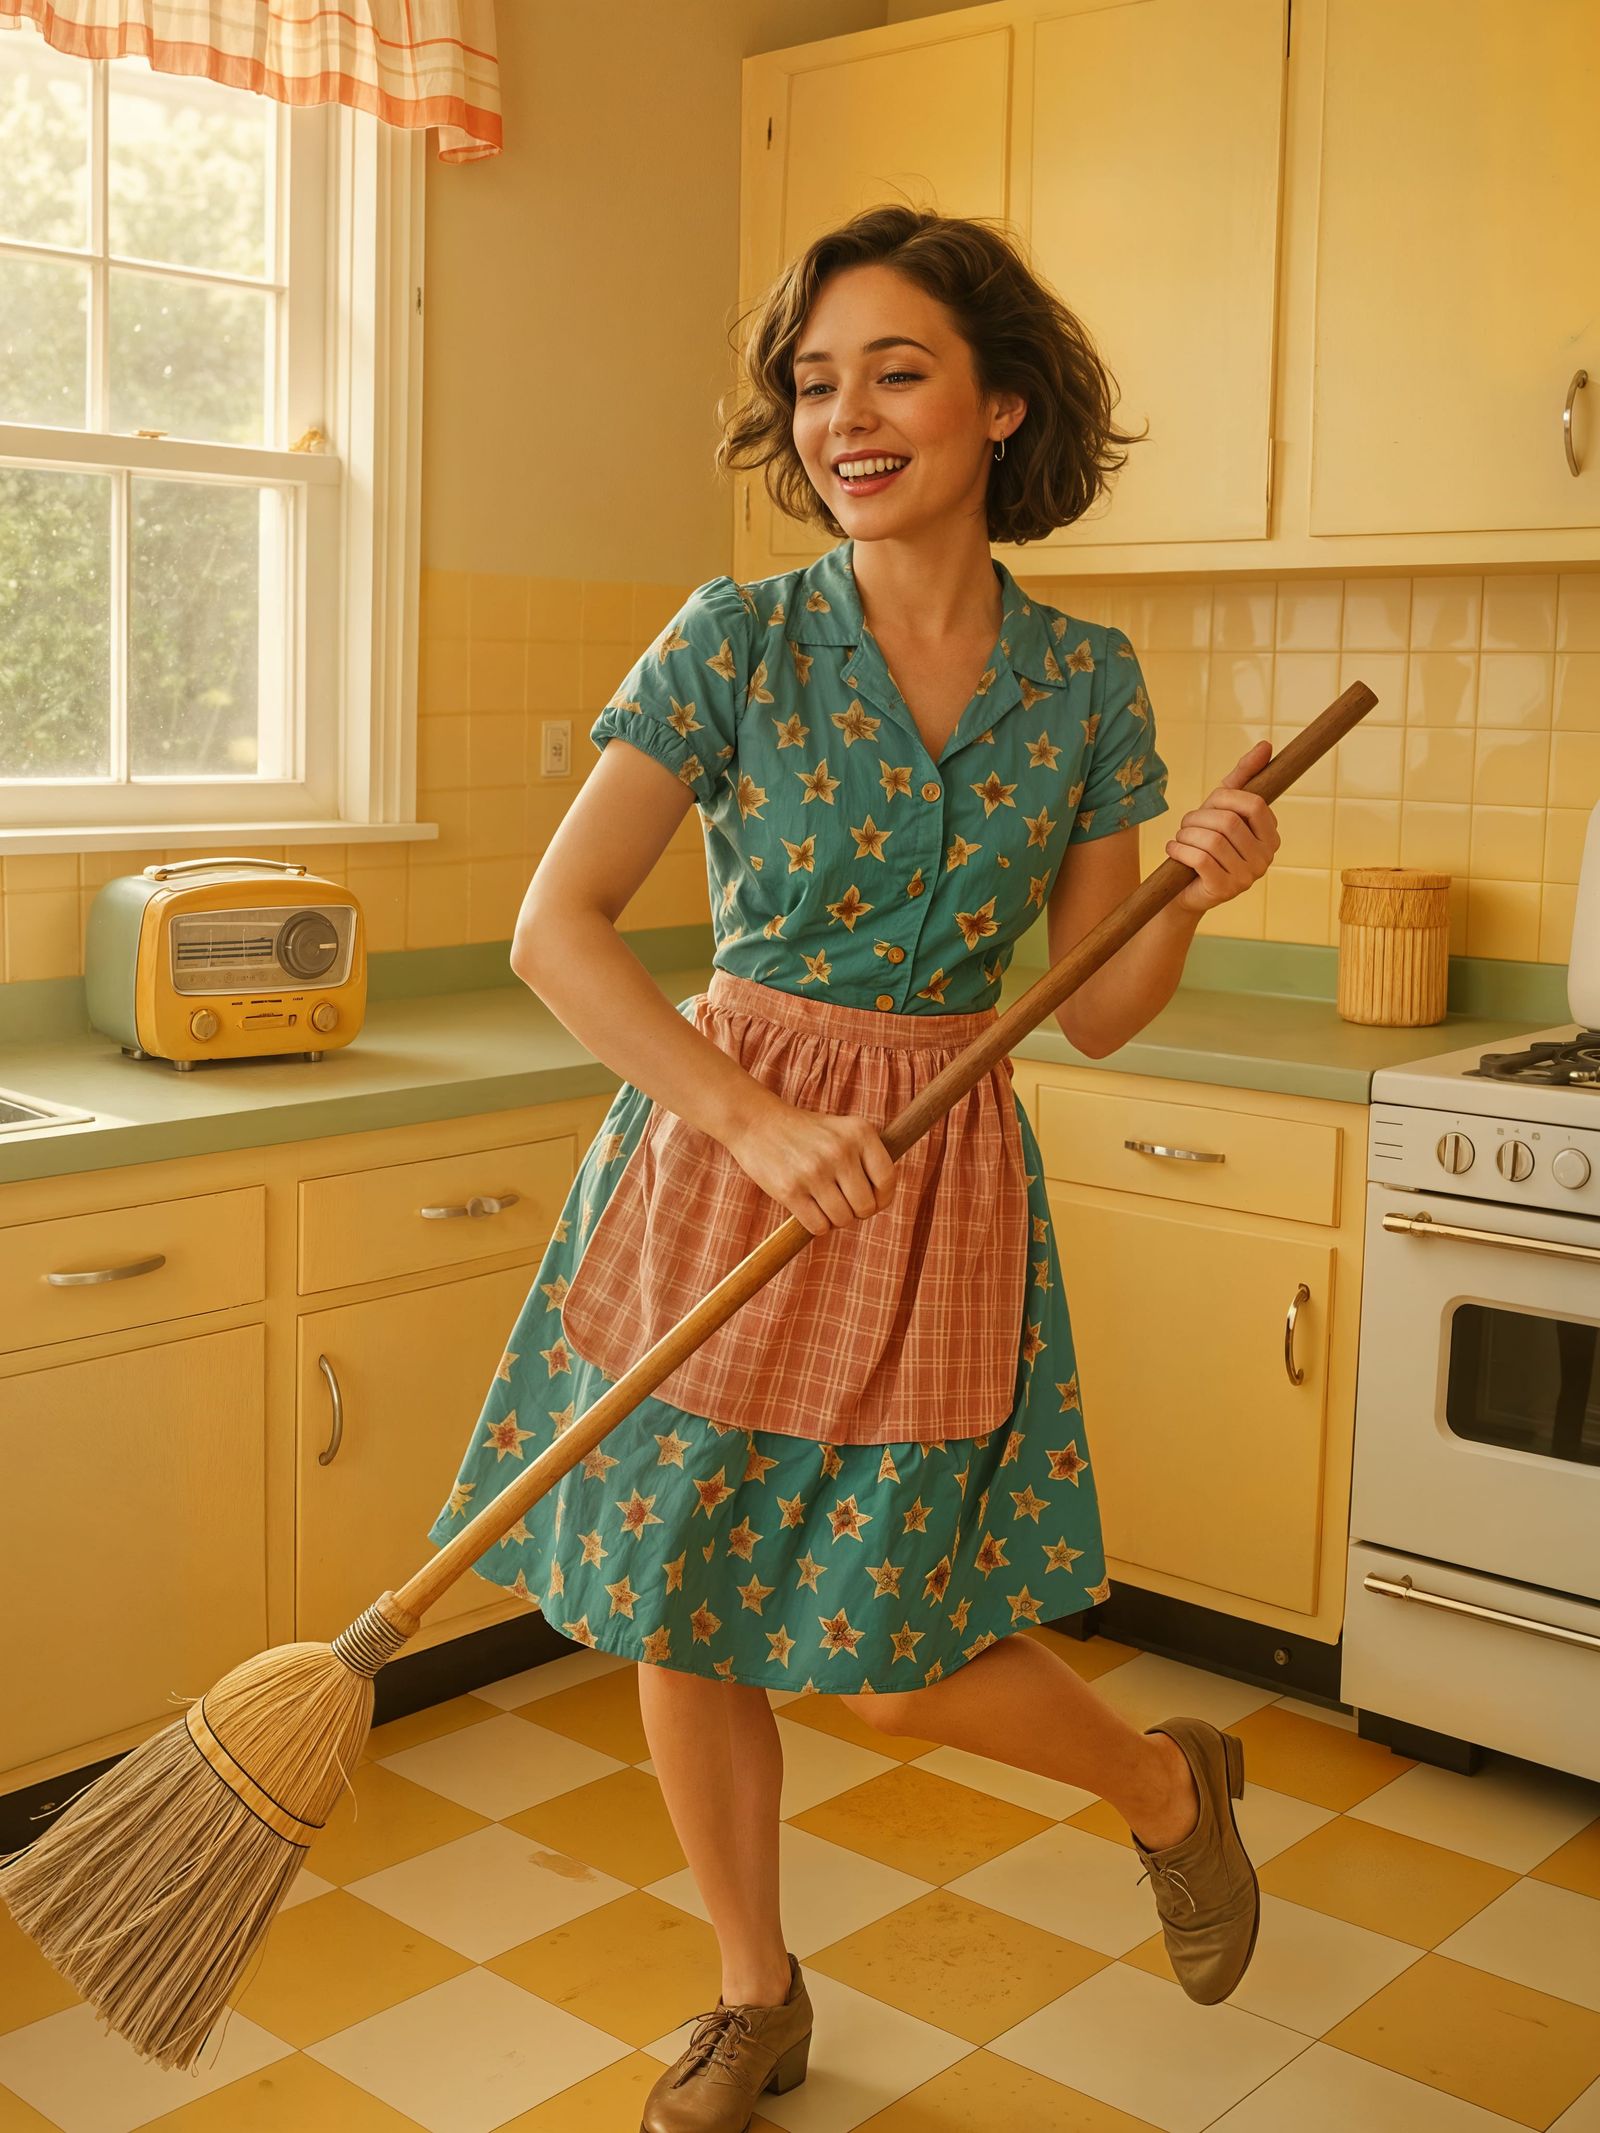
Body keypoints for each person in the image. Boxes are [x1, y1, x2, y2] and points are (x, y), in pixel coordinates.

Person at [427, 203, 1282, 2133]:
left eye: (895, 371)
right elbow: (558, 928)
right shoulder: (737, 634)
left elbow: (1101, 1007)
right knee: (680, 1600)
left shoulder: (1083, 681)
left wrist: (1194, 894)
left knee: (891, 1653)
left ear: (1001, 403)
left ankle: (1167, 1785)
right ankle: (753, 1995)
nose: (846, 416)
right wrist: (743, 1114)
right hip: (727, 1143)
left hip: (933, 1182)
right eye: (816, 383)